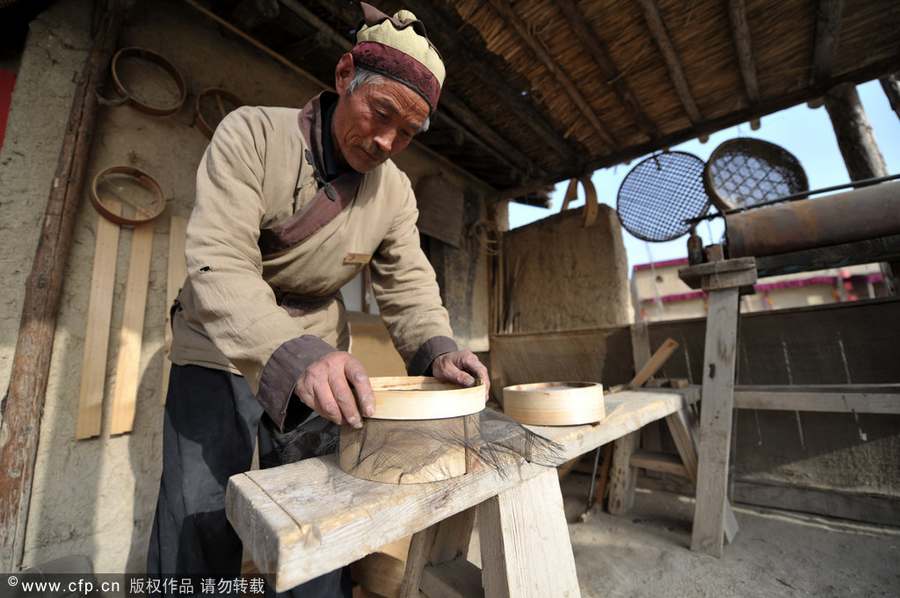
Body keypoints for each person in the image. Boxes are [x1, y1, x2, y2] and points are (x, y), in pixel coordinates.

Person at [147, 3, 489, 596]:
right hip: (218, 343)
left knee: (321, 515)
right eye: (380, 113)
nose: (387, 141)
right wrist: (293, 353)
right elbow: (219, 260)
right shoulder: (252, 134)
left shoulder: (396, 194)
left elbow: (408, 282)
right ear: (343, 77)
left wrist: (437, 349)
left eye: (407, 133)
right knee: (199, 513)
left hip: (321, 356)